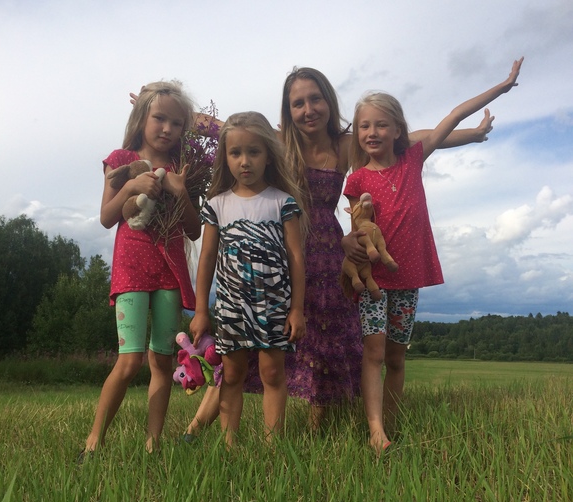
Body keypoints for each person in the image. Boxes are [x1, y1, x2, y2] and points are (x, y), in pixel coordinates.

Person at [184, 66, 500, 438]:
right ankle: (196, 425)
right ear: (288, 109)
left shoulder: (346, 144)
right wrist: (168, 111)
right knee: (248, 341)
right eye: (298, 103)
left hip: (328, 252)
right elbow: (222, 127)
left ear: (329, 101)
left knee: (325, 338)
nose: (308, 109)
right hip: (282, 252)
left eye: (315, 99)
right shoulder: (280, 140)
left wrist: (474, 134)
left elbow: (415, 139)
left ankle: (319, 427)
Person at [343, 58, 523, 454]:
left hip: (409, 275)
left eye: (381, 125)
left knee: (396, 357)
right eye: (364, 126)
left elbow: (454, 115)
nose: (372, 133)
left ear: (397, 130)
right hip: (374, 277)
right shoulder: (357, 179)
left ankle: (391, 422)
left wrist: (503, 86)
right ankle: (375, 429)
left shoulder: (412, 160)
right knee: (373, 353)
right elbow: (359, 224)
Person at [80, 81, 201, 458]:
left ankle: (153, 445)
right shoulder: (121, 159)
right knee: (130, 359)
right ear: (141, 117)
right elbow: (106, 217)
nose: (167, 128)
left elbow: (194, 230)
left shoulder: (184, 167)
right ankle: (93, 443)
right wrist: (131, 184)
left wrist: (181, 191)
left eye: (177, 123)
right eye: (159, 118)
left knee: (162, 359)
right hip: (131, 267)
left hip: (170, 271)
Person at [189, 111, 305, 447]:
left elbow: (296, 257)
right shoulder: (217, 205)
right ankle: (230, 447)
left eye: (253, 152)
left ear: (269, 155)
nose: (244, 161)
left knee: (273, 373)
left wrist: (297, 309)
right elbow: (206, 259)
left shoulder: (283, 202)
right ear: (224, 158)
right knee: (232, 374)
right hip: (231, 307)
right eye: (235, 152)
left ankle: (273, 447)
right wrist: (201, 310)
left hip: (274, 305)